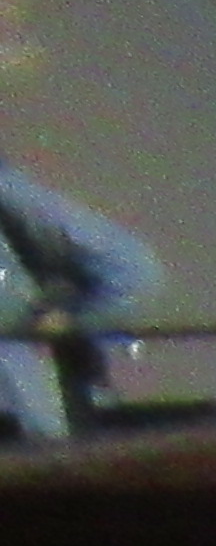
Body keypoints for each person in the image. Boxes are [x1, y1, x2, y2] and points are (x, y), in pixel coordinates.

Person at [0, 150, 159, 443]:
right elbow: (133, 274)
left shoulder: (9, 194)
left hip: (38, 440)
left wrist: (68, 322)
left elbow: (132, 275)